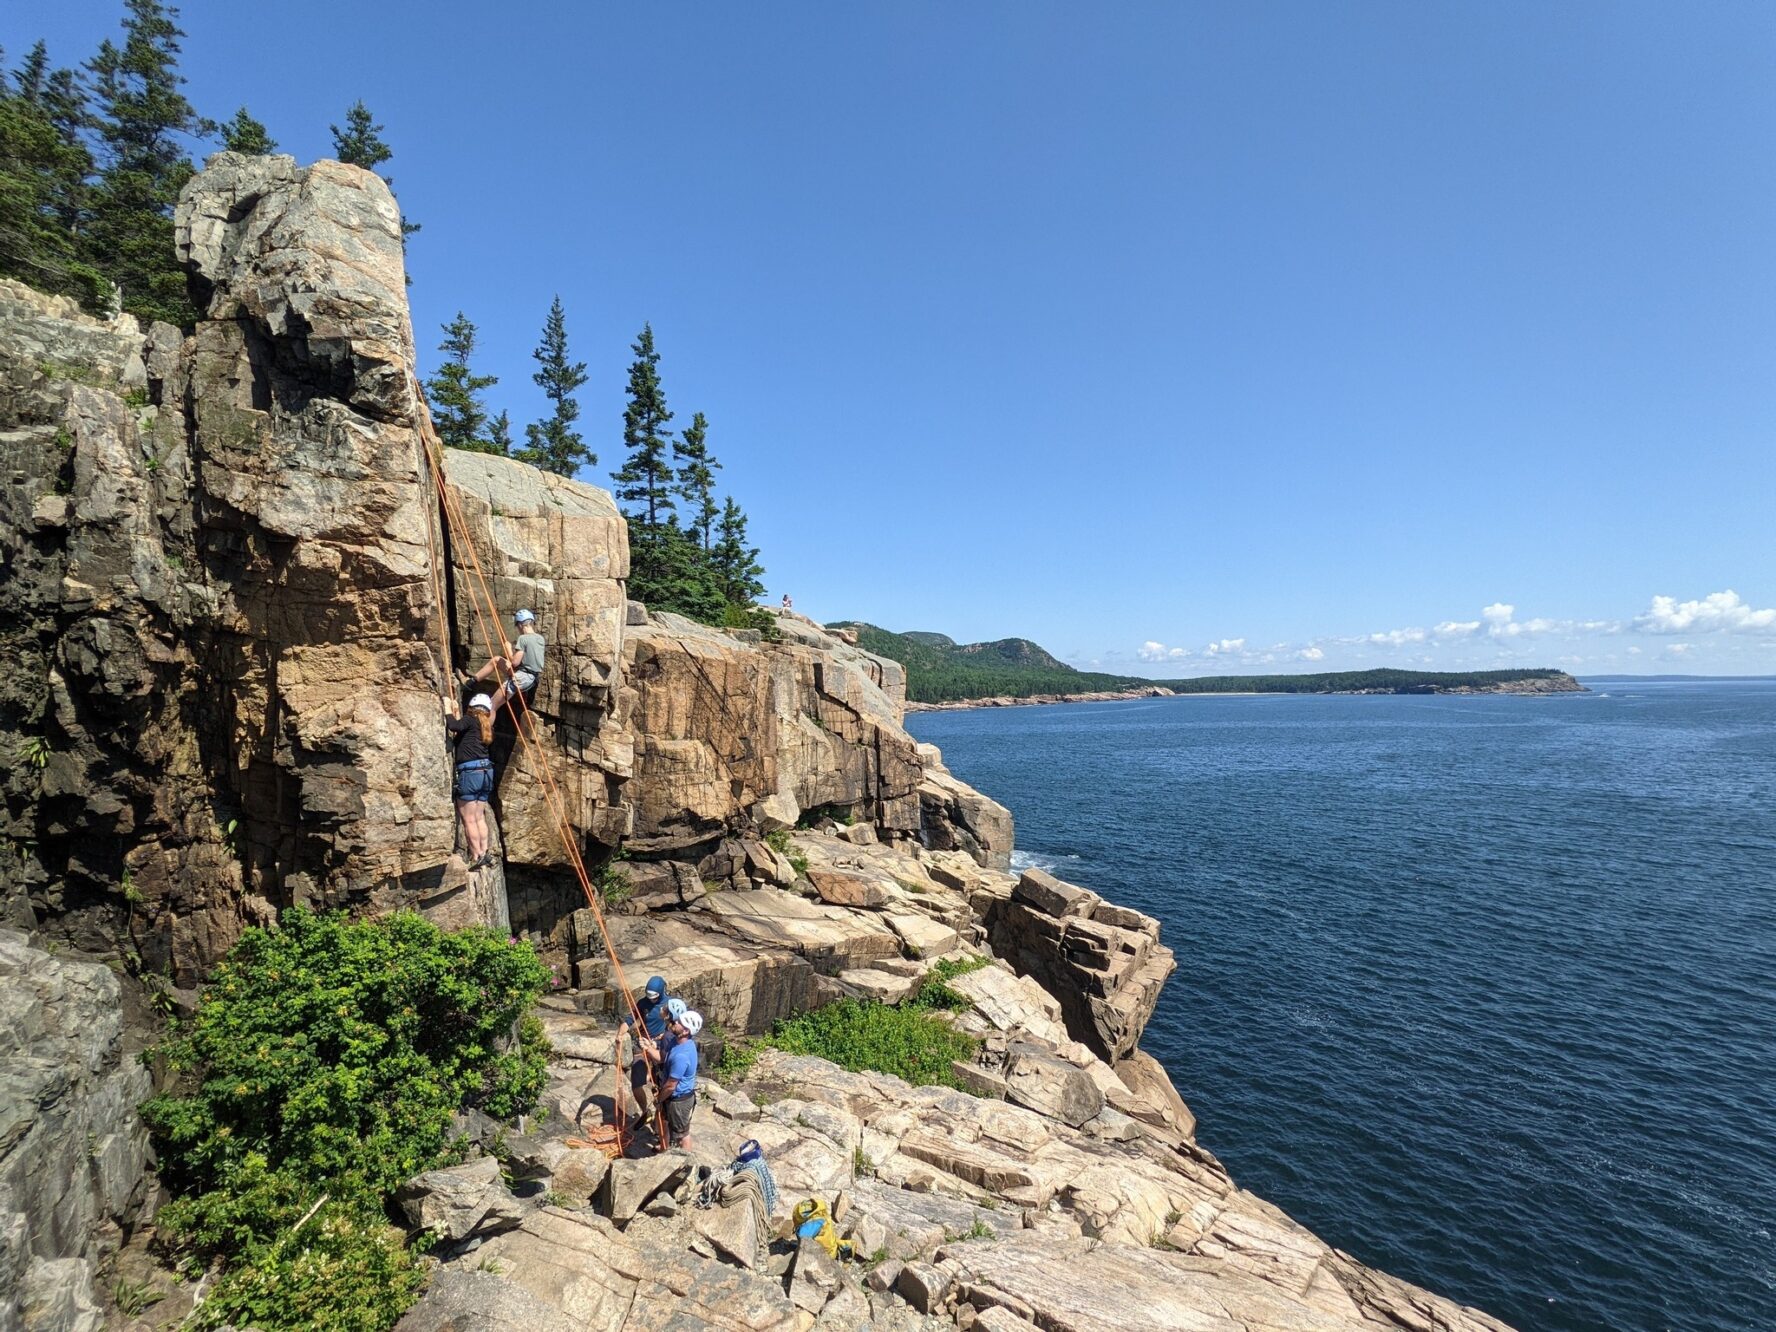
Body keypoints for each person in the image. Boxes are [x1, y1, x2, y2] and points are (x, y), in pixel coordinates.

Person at [444, 694, 497, 867]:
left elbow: (453, 726)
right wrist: (457, 712)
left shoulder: (470, 719)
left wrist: (446, 709)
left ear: (472, 707)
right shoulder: (484, 725)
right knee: (479, 817)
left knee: (469, 819)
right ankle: (484, 852)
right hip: (486, 772)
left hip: (471, 772)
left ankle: (476, 856)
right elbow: (462, 733)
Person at [463, 608, 546, 714]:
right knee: (497, 660)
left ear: (520, 625)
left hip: (522, 677)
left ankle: (485, 729)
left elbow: (515, 662)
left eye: (517, 626)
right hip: (531, 676)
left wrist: (508, 649)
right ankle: (471, 682)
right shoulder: (540, 638)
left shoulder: (523, 639)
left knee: (491, 706)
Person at [643, 1006, 701, 1152]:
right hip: (675, 1097)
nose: (675, 1023)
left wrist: (659, 1099)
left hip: (679, 1100)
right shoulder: (679, 1042)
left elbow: (671, 1085)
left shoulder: (682, 1056)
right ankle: (664, 1148)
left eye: (679, 1023)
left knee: (682, 1135)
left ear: (686, 1031)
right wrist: (650, 1047)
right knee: (664, 1121)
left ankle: (686, 1165)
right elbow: (663, 1057)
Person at [619, 976, 672, 1130]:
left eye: (654, 998)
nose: (652, 1001)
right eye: (650, 997)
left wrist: (658, 1041)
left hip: (659, 1045)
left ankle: (660, 1124)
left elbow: (675, 1027)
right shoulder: (643, 1003)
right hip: (642, 1045)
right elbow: (629, 1019)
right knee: (636, 1084)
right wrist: (620, 1034)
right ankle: (645, 1112)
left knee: (659, 1086)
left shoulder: (669, 1005)